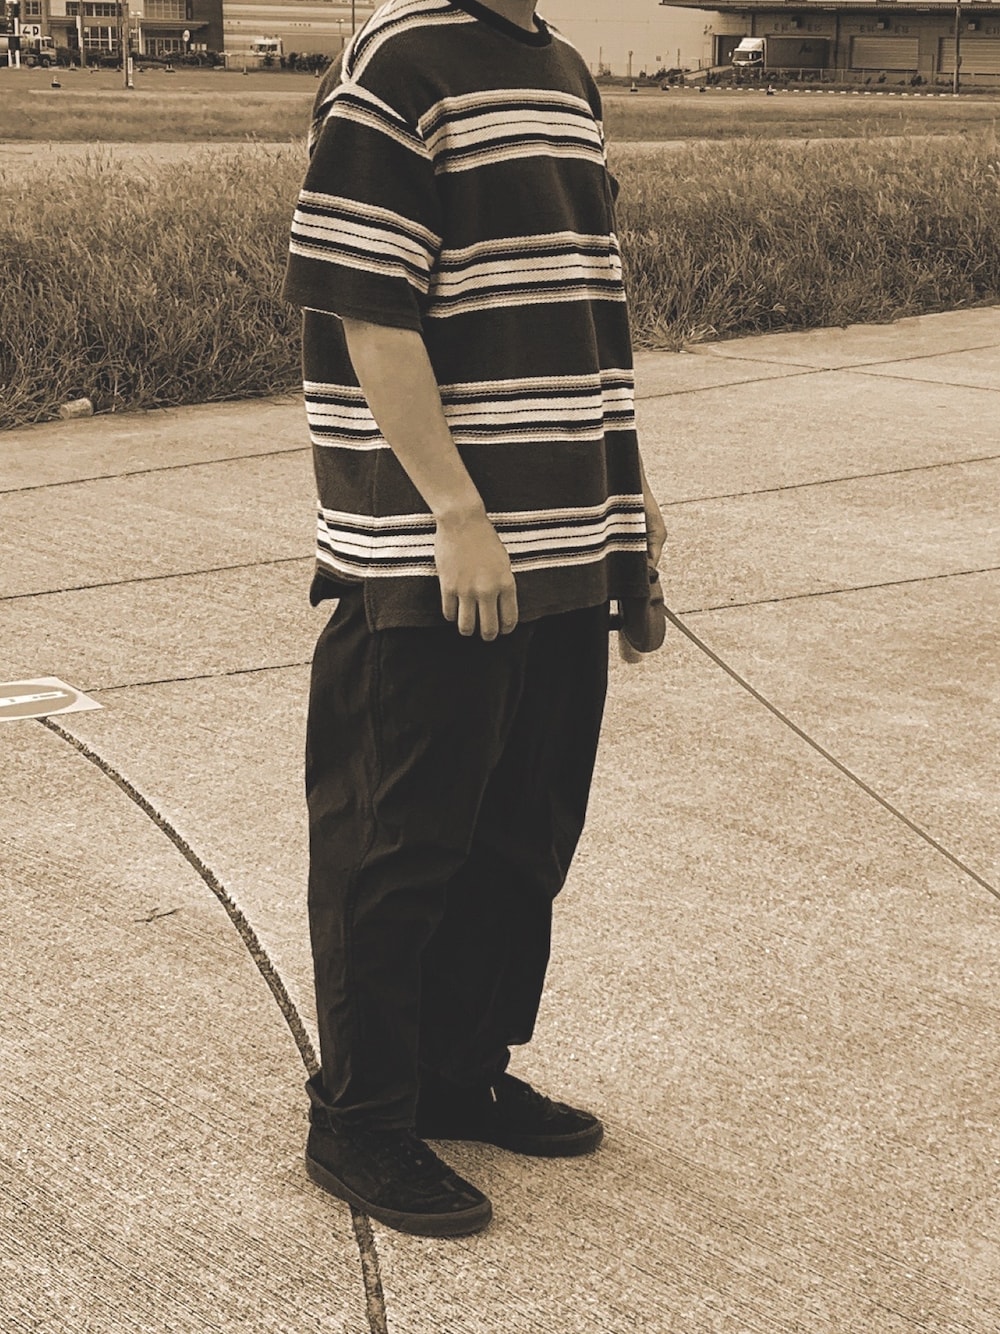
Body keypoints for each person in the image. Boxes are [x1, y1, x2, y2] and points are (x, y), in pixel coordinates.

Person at [282, 0, 667, 1239]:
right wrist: (452, 509)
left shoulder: (562, 71)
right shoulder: (396, 64)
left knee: (520, 835)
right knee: (396, 845)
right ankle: (361, 1116)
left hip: (564, 536)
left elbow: (580, 303)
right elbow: (368, 308)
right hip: (438, 550)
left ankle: (456, 1069)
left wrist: (626, 490)